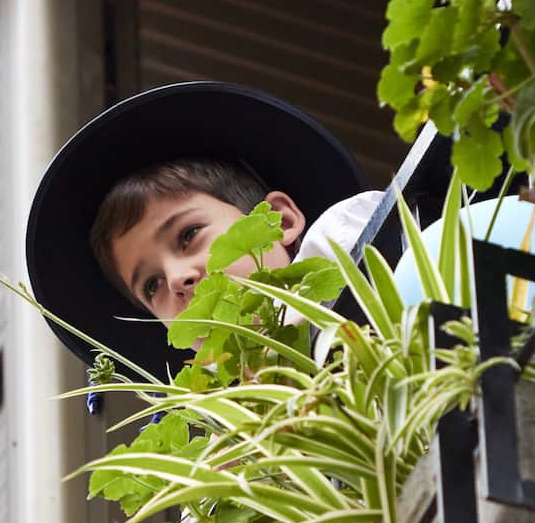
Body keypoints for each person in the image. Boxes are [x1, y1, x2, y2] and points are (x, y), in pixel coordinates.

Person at [26, 81, 382, 380]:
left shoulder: (341, 234)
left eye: (188, 234)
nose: (177, 278)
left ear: (281, 221)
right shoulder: (225, 424)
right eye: (151, 286)